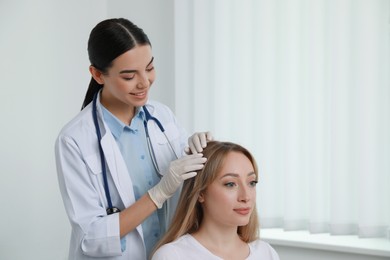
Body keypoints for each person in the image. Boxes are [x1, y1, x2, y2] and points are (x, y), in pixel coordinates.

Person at [55, 18, 213, 260]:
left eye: (149, 68)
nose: (144, 82)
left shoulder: (162, 117)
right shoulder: (74, 139)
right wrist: (157, 194)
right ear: (97, 74)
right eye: (129, 76)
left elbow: (190, 188)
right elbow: (91, 238)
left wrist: (198, 151)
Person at [151, 141, 280, 260]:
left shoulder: (266, 253)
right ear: (201, 193)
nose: (246, 197)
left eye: (252, 183)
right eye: (230, 184)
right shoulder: (172, 256)